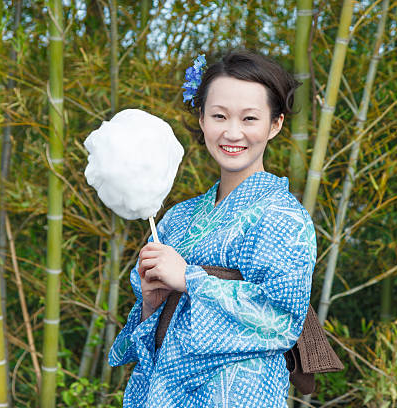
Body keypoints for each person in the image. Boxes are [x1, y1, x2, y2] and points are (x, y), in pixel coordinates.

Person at [108, 50, 317, 407]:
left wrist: (189, 279)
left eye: (250, 118)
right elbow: (150, 335)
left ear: (275, 124)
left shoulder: (284, 216)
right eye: (219, 115)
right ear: (202, 118)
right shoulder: (176, 218)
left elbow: (281, 321)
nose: (232, 132)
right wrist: (151, 304)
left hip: (240, 393)